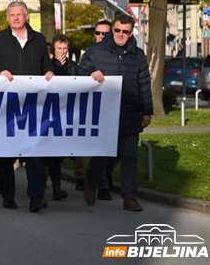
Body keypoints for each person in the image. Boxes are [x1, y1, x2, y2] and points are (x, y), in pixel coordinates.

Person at [0, 1, 54, 213]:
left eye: (18, 14)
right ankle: (8, 195)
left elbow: (46, 65)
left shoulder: (38, 40)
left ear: (27, 16)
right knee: (5, 154)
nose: (15, 18)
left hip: (32, 106)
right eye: (11, 15)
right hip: (6, 106)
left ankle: (36, 196)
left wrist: (49, 72)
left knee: (34, 152)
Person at [77, 14, 152, 212]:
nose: (120, 34)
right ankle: (91, 183)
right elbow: (78, 73)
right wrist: (90, 75)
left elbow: (144, 84)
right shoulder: (96, 51)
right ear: (112, 30)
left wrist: (147, 112)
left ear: (131, 32)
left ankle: (129, 197)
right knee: (101, 154)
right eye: (117, 30)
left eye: (125, 31)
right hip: (103, 114)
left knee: (129, 156)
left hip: (129, 112)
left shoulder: (138, 55)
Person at [45, 34, 76, 200]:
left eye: (65, 49)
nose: (62, 52)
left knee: (55, 155)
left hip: (64, 114)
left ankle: (57, 188)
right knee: (44, 154)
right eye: (59, 49)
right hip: (48, 113)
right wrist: (56, 66)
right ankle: (38, 186)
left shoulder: (73, 65)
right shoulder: (48, 65)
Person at [93, 19, 115, 197]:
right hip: (96, 109)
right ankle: (102, 184)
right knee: (100, 148)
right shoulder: (91, 53)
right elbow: (78, 73)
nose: (101, 37)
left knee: (118, 149)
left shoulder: (121, 53)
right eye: (98, 33)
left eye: (105, 34)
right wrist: (89, 73)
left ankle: (106, 174)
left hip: (117, 107)